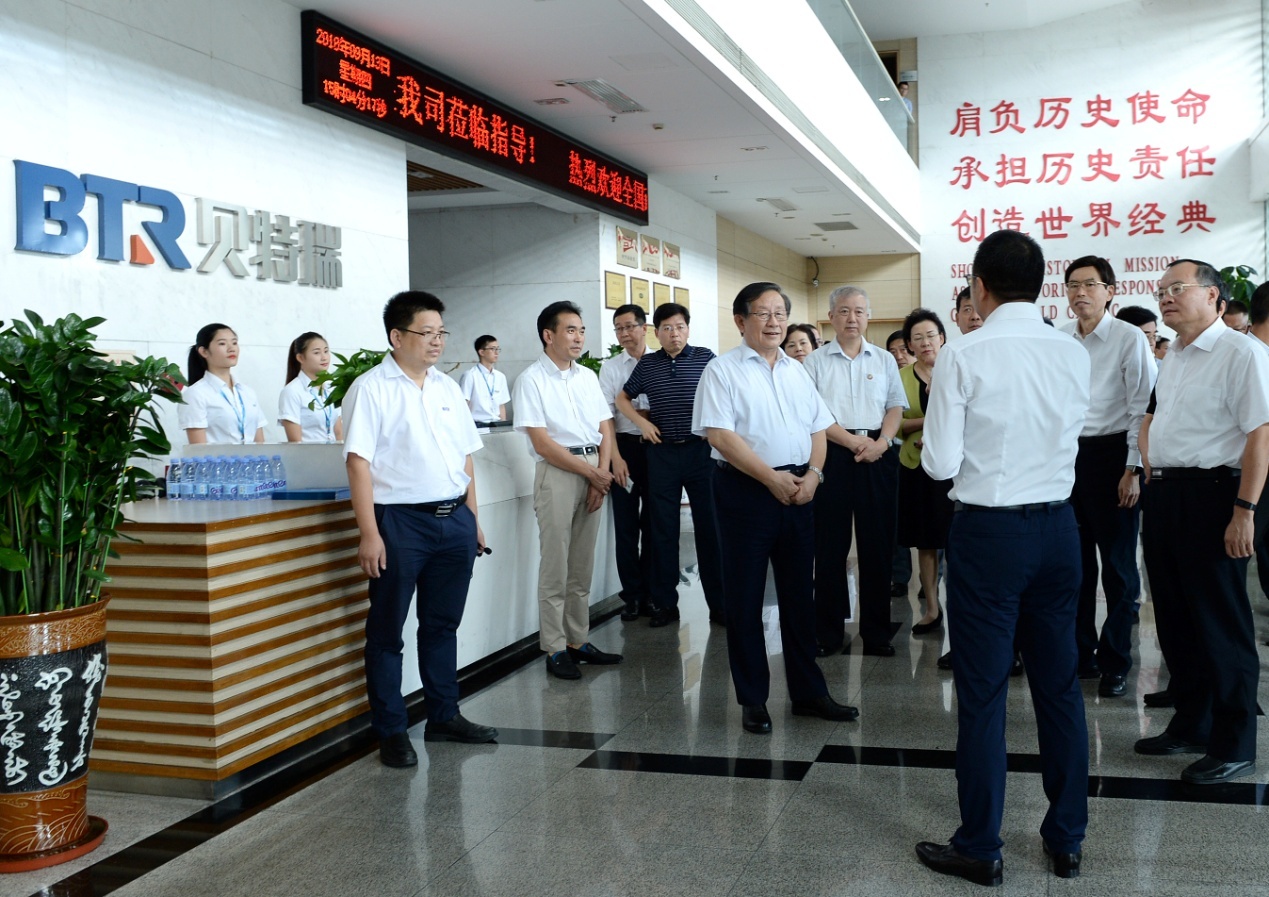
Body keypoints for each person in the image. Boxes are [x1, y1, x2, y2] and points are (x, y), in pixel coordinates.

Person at [916, 230, 1091, 887]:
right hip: (1059, 529)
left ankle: (980, 846)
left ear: (979, 287)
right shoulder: (1070, 350)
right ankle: (1066, 839)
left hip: (989, 534)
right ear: (1042, 286)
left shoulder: (964, 352)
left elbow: (939, 462)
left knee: (984, 692)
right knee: (1059, 688)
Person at [692, 281, 857, 734]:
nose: (773, 322)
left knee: (799, 595)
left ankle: (808, 692)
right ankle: (753, 699)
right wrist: (770, 478)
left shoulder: (795, 370)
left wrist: (814, 476)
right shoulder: (722, 370)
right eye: (763, 313)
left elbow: (819, 427)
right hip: (745, 491)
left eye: (780, 314)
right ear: (740, 320)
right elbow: (719, 436)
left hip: (799, 488)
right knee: (745, 598)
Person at [342, 291, 498, 767]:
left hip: (454, 520)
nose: (437, 341)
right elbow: (358, 463)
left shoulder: (448, 388)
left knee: (442, 625)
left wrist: (473, 519)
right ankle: (391, 730)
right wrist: (370, 534)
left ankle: (444, 715)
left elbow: (465, 457)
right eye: (426, 332)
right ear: (396, 336)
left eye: (441, 332)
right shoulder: (371, 389)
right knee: (387, 631)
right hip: (400, 524)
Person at [1134, 259, 1269, 784]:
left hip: (1215, 496)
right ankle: (1193, 723)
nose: (1166, 297)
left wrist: (1245, 510)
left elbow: (1260, 434)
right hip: (1166, 495)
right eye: (1161, 290)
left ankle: (1235, 743)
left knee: (1220, 622)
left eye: (1177, 288)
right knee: (1175, 618)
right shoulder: (1176, 354)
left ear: (1214, 295)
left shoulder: (1242, 352)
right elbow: (1157, 418)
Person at [513, 301, 623, 680]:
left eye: (581, 330)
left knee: (581, 565)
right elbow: (542, 444)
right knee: (555, 566)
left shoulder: (587, 376)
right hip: (558, 472)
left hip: (594, 468)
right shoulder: (531, 380)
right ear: (549, 335)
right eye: (570, 330)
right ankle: (555, 647)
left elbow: (605, 427)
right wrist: (593, 474)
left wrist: (601, 474)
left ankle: (578, 640)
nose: (578, 338)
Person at [1061, 257, 1155, 696]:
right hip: (1069, 459)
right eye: (1072, 285)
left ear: (1110, 291)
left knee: (1118, 568)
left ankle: (1116, 661)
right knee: (1074, 566)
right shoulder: (1060, 340)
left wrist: (1133, 467)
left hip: (1114, 455)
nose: (1080, 293)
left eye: (1090, 284)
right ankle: (1082, 656)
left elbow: (1142, 407)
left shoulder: (1128, 337)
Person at [803, 286, 907, 656]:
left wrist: (882, 442)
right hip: (832, 454)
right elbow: (813, 414)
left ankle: (877, 634)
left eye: (859, 311)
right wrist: (850, 442)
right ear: (831, 317)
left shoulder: (884, 359)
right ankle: (828, 634)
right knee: (829, 547)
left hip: (877, 455)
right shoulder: (814, 362)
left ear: (868, 316)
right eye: (844, 311)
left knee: (877, 547)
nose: (852, 318)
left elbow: (895, 407)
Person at [615, 303, 724, 628]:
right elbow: (622, 399)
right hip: (661, 454)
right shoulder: (648, 365)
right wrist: (642, 424)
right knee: (662, 530)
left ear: (687, 329)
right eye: (667, 328)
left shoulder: (705, 358)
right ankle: (665, 605)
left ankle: (720, 606)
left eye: (679, 327)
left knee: (710, 529)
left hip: (700, 453)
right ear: (656, 332)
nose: (674, 334)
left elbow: (725, 394)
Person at [896, 309, 951, 632]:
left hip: (955, 469)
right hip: (916, 468)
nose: (926, 342)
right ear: (909, 345)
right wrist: (929, 424)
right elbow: (895, 424)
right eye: (918, 338)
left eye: (931, 335)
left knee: (958, 540)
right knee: (926, 542)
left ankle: (961, 608)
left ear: (942, 338)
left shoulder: (957, 368)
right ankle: (931, 608)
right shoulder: (901, 378)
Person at [598, 305, 653, 622]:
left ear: (644, 328)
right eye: (618, 328)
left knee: (656, 526)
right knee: (627, 528)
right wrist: (615, 459)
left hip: (656, 451)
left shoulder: (660, 362)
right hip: (624, 450)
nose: (624, 333)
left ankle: (653, 594)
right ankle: (631, 596)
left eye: (629, 326)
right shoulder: (610, 368)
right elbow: (606, 417)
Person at [179, 323, 267, 445]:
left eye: (234, 343)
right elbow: (198, 449)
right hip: (217, 458)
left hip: (252, 458)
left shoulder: (247, 392)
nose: (231, 348)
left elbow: (260, 443)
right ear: (204, 351)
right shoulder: (195, 394)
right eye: (222, 343)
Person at [278, 331, 343, 443]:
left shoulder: (331, 387)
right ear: (300, 358)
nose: (324, 357)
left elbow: (338, 433)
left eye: (326, 351)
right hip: (307, 454)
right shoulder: (292, 391)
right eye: (317, 352)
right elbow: (295, 442)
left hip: (333, 453)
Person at [458, 335, 510, 422]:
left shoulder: (500, 376)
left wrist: (503, 423)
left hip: (496, 423)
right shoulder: (470, 375)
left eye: (497, 349)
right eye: (492, 349)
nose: (496, 352)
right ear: (481, 352)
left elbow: (501, 405)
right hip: (477, 424)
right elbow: (464, 404)